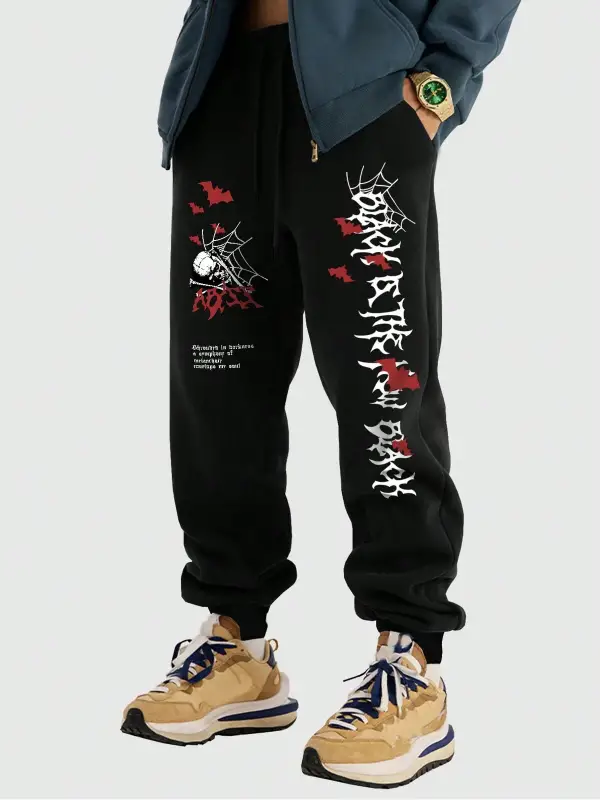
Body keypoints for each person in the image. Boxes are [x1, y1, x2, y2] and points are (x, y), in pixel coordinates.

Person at [122, 0, 520, 788]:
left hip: (363, 98)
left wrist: (443, 79)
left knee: (381, 386)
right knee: (218, 389)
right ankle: (236, 643)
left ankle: (410, 660)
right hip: (220, 87)